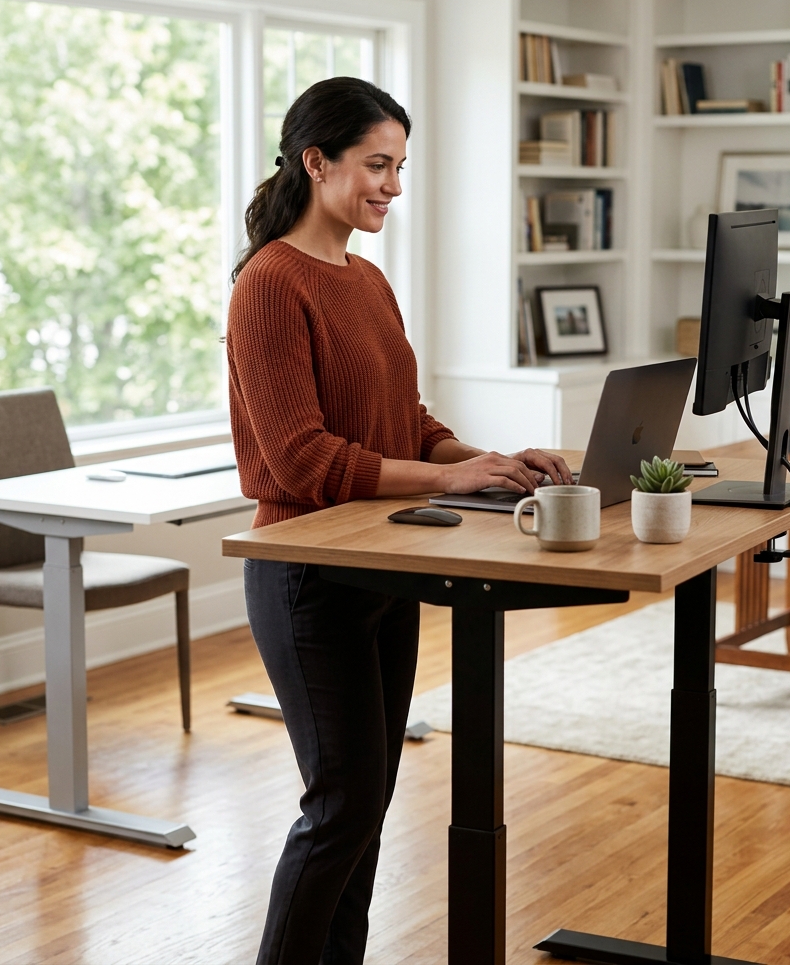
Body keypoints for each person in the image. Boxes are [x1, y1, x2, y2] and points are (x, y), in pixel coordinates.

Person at [226, 77, 571, 965]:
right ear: (316, 162)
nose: (392, 185)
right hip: (307, 576)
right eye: (377, 165)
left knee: (367, 803)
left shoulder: (368, 281)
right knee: (341, 801)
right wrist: (457, 477)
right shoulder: (270, 286)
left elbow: (405, 424)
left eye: (400, 166)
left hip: (383, 565)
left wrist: (489, 464)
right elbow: (303, 461)